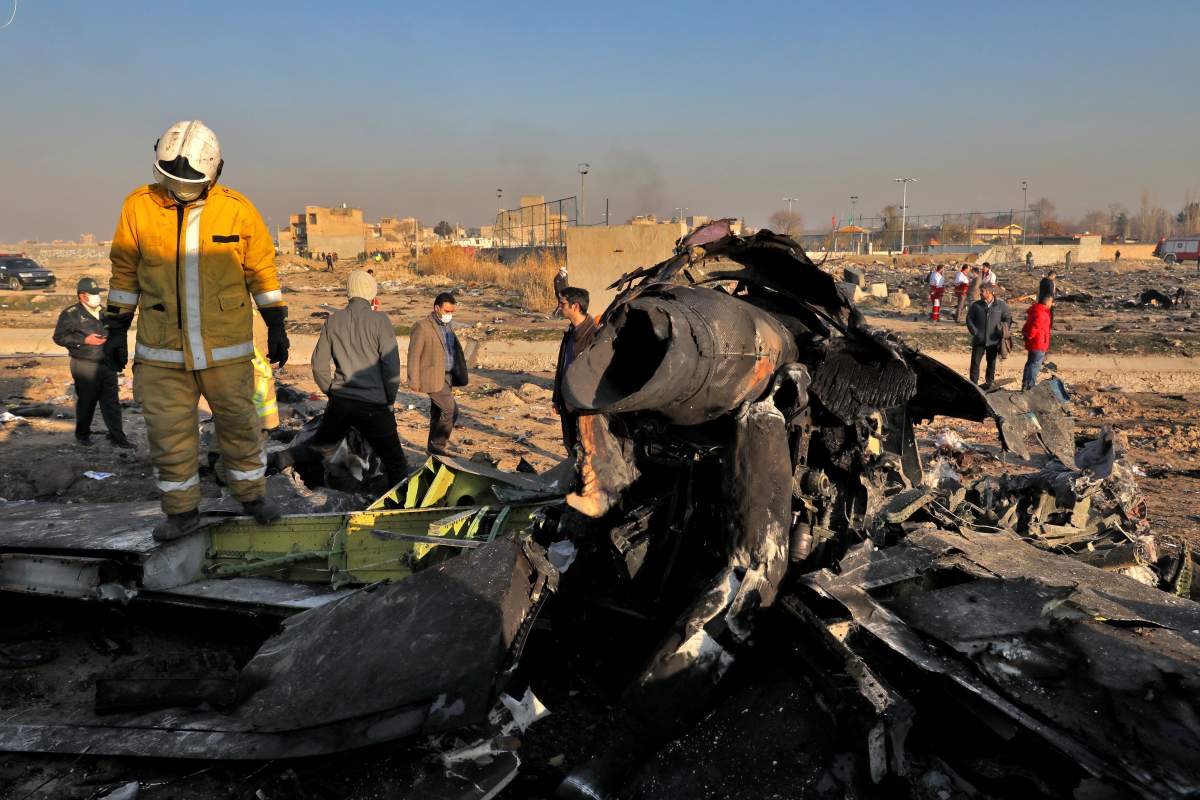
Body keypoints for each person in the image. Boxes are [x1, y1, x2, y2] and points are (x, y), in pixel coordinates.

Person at [102, 120, 288, 541]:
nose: (181, 187)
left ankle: (251, 495)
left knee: (240, 426)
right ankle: (181, 512)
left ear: (216, 171)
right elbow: (124, 273)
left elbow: (262, 270)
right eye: (172, 179)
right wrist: (116, 330)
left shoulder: (238, 209)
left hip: (225, 351)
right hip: (161, 352)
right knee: (170, 438)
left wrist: (276, 322)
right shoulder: (138, 207)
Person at [299, 270, 408, 487]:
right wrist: (388, 399)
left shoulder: (333, 321)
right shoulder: (380, 320)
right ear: (372, 292)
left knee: (319, 451)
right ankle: (399, 505)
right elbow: (391, 367)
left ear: (348, 292)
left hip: (341, 403)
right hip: (374, 405)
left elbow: (318, 365)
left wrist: (331, 390)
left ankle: (312, 493)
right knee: (395, 462)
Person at [52, 277, 133, 448]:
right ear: (82, 296)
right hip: (84, 364)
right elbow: (59, 337)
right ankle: (82, 435)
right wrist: (84, 340)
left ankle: (118, 437)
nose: (98, 297)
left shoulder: (105, 312)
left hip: (107, 364)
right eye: (94, 294)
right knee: (87, 401)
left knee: (111, 402)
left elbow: (118, 335)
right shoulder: (71, 314)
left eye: (98, 293)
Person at [407, 291, 467, 455]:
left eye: (452, 312)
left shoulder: (448, 326)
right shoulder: (422, 326)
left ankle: (431, 449)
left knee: (438, 413)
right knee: (451, 411)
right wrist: (413, 381)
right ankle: (438, 446)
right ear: (437, 308)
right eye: (447, 311)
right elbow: (414, 354)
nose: (449, 315)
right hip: (432, 377)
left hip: (448, 377)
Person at [553, 287, 599, 453]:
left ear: (575, 306)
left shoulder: (594, 336)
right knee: (571, 448)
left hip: (584, 407)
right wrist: (556, 398)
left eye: (563, 303)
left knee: (585, 451)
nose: (559, 306)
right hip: (567, 403)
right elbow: (562, 367)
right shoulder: (570, 332)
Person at [966, 285, 1011, 389]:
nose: (980, 293)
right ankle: (973, 385)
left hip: (993, 340)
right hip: (979, 340)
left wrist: (1003, 330)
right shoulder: (976, 305)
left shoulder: (1000, 305)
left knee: (991, 363)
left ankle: (989, 384)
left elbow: (1007, 318)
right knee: (975, 364)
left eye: (982, 291)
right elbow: (969, 319)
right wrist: (975, 332)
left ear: (989, 292)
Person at [1022, 289, 1053, 391]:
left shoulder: (1036, 310)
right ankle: (1030, 386)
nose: (1052, 304)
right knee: (1034, 365)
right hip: (1039, 343)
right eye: (1051, 302)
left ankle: (1026, 384)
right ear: (1048, 301)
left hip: (1035, 342)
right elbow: (1034, 327)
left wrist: (1028, 336)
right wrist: (1030, 336)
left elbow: (1028, 326)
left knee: (1030, 363)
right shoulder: (1041, 313)